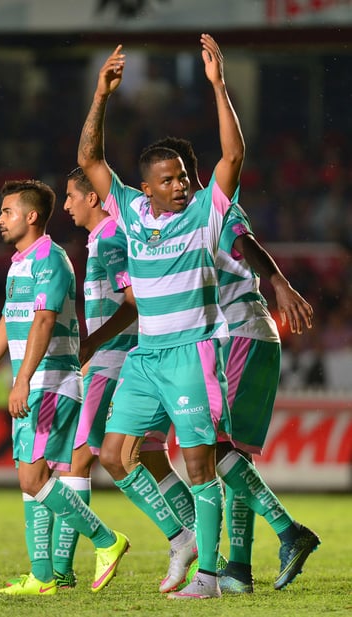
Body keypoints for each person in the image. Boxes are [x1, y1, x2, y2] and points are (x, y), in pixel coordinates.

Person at [78, 34, 245, 600]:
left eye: (182, 177)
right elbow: (89, 161)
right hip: (147, 357)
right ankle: (180, 537)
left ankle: (210, 579)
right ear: (146, 187)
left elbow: (232, 158)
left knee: (198, 465)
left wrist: (219, 86)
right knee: (113, 455)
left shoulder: (203, 214)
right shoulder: (128, 210)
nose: (180, 185)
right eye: (169, 179)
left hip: (193, 353)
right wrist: (101, 94)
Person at [151, 135, 321, 592]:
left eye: (177, 176)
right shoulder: (181, 224)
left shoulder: (212, 206)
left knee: (212, 446)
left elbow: (243, 241)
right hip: (246, 335)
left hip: (242, 332)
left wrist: (278, 279)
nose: (174, 187)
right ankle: (240, 571)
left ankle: (289, 532)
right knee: (234, 456)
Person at [0, 179, 129, 596]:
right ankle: (43, 576)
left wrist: (23, 380)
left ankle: (107, 540)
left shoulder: (51, 259)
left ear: (31, 217)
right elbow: (8, 321)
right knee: (31, 479)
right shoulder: (20, 262)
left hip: (50, 382)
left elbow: (44, 320)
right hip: (36, 382)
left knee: (34, 478)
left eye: (7, 211)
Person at [49, 166, 197, 585]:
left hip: (116, 359)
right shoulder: (104, 238)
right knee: (150, 457)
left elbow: (132, 303)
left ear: (93, 198)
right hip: (130, 358)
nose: (66, 204)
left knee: (79, 458)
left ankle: (63, 570)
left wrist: (92, 344)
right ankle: (204, 545)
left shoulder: (113, 238)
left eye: (71, 195)